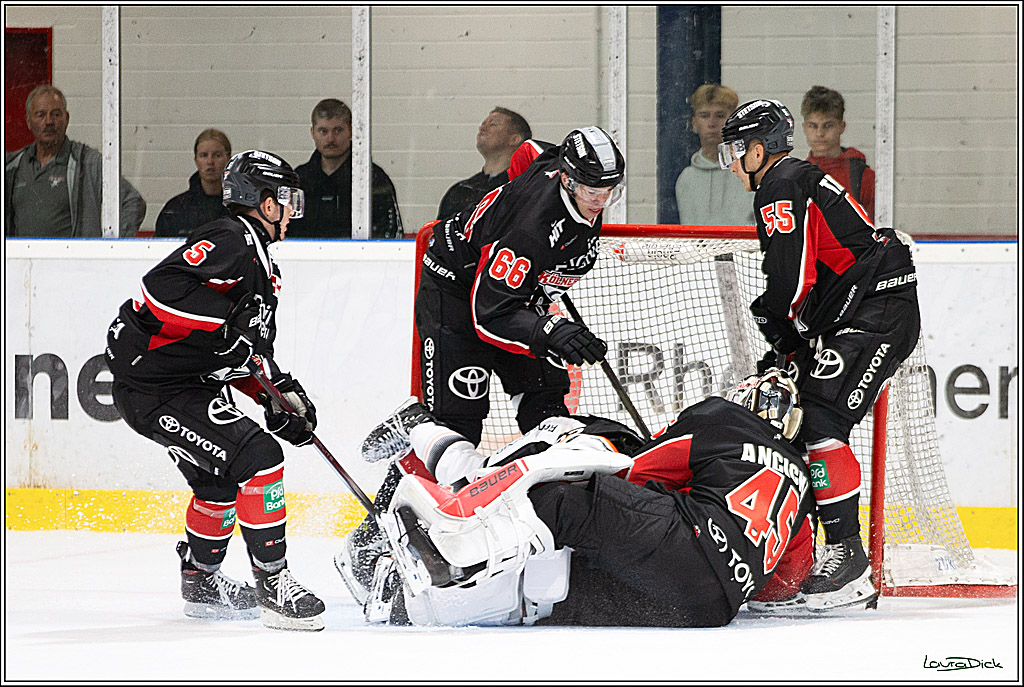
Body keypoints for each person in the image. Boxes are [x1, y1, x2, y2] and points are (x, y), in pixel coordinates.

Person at [334, 127, 626, 596]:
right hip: (455, 297)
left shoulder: (555, 164)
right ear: (568, 181)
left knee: (547, 405)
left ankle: (542, 527)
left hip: (508, 294)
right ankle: (370, 538)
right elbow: (488, 318)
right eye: (592, 191)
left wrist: (507, 208)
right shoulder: (530, 228)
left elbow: (527, 154)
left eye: (608, 190)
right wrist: (550, 329)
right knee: (458, 426)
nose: (600, 200)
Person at [353, 367, 816, 628]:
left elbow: (642, 471)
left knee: (557, 501)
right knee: (554, 596)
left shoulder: (722, 418)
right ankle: (404, 595)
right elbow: (785, 582)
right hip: (710, 608)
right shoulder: (800, 484)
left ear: (746, 397)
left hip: (673, 537)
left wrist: (626, 509)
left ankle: (447, 549)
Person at [103, 150, 326, 631]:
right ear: (265, 204)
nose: (291, 212)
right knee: (259, 459)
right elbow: (161, 287)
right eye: (285, 200)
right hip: (156, 388)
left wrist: (275, 393)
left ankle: (200, 581)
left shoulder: (261, 263)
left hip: (185, 384)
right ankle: (274, 583)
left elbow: (241, 353)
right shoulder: (232, 238)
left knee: (219, 483)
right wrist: (227, 330)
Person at [718, 99, 921, 611]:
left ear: (756, 149)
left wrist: (777, 322)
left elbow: (791, 279)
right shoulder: (792, 177)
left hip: (875, 313)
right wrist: (789, 340)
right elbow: (815, 275)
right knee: (799, 416)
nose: (732, 161)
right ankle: (814, 547)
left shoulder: (779, 184)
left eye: (736, 150)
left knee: (820, 421)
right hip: (857, 311)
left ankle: (849, 560)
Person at [5, 84, 146, 238]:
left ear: (67, 119)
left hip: (73, 262)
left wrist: (110, 248)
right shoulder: (12, 167)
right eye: (40, 115)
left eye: (56, 114)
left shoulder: (88, 162)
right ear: (28, 122)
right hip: (22, 261)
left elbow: (134, 203)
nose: (49, 121)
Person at [286, 98, 403, 239]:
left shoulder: (371, 179)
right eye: (323, 131)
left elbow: (390, 235)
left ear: (351, 131)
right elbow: (286, 230)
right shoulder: (299, 180)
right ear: (312, 132)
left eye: (338, 130)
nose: (330, 139)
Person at [674, 84, 754, 227]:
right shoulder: (686, 179)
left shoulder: (751, 173)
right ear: (694, 123)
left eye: (720, 116)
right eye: (704, 116)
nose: (711, 123)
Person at [435, 107, 532, 221]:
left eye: (493, 124)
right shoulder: (460, 191)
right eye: (483, 124)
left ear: (514, 139)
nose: (482, 128)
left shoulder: (525, 189)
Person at [801, 85, 876, 222]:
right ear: (804, 127)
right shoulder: (798, 176)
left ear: (841, 127)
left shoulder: (863, 178)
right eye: (813, 125)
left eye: (828, 125)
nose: (819, 133)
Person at [154, 128, 232, 237]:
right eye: (204, 155)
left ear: (228, 159)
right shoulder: (175, 210)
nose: (210, 162)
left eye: (217, 155)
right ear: (196, 160)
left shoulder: (241, 207)